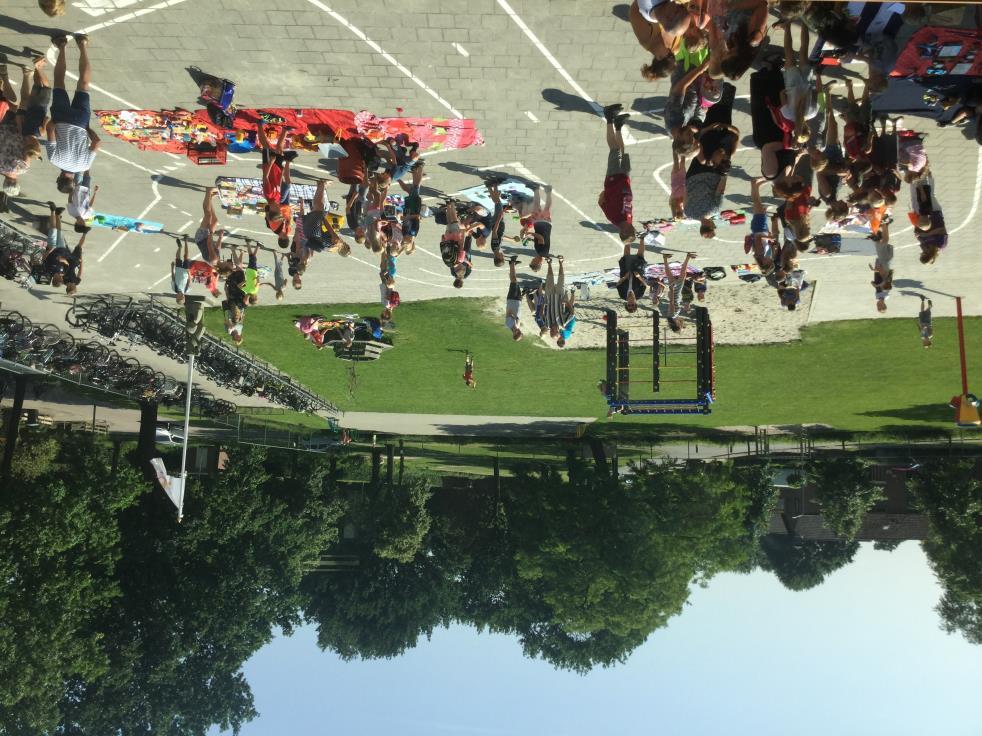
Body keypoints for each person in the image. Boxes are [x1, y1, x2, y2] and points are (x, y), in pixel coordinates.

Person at [43, 35, 99, 192]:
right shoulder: (54, 160)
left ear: (74, 180)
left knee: (84, 84)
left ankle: (83, 45)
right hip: (61, 118)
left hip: (81, 122)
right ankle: (62, 45)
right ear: (59, 178)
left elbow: (97, 142)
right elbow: (50, 129)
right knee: (59, 82)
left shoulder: (85, 165)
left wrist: (87, 128)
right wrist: (55, 118)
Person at [0, 64, 43, 198]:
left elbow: (29, 149)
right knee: (8, 102)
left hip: (20, 128)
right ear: (4, 182)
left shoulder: (23, 168)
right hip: (3, 125)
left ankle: (26, 74)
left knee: (23, 103)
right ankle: (4, 77)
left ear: (17, 183)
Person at [257, 119, 298, 248]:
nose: (278, 208)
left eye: (277, 209)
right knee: (280, 151)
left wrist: (270, 163)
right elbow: (279, 183)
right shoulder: (276, 198)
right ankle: (285, 131)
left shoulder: (269, 195)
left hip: (270, 166)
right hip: (277, 171)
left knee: (266, 147)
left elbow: (265, 177)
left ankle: (259, 125)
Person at [598, 104, 636, 244]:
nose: (633, 228)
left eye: (631, 231)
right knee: (622, 150)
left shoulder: (613, 217)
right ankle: (618, 126)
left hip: (614, 179)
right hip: (625, 179)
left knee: (614, 150)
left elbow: (601, 201)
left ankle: (609, 117)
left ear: (623, 232)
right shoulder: (629, 220)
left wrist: (609, 189)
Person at [42, 202, 85, 293]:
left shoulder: (48, 271)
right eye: (61, 279)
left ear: (55, 279)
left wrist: (50, 250)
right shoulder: (63, 273)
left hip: (52, 248)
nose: (61, 277)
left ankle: (53, 211)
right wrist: (63, 260)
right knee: (60, 232)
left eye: (60, 279)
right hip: (61, 250)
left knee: (53, 229)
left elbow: (44, 258)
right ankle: (58, 214)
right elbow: (67, 264)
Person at [397, 160, 424, 254]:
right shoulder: (413, 232)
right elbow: (417, 217)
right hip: (414, 208)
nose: (405, 243)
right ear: (412, 243)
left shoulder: (404, 234)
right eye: (407, 245)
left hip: (407, 209)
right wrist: (407, 217)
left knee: (413, 188)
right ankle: (420, 168)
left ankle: (415, 170)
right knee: (416, 187)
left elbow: (403, 223)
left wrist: (401, 218)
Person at [525, 184, 553, 272]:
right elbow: (541, 238)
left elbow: (540, 241)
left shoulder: (543, 254)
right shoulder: (541, 253)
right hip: (542, 225)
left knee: (539, 207)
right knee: (543, 207)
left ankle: (539, 190)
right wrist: (530, 233)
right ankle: (544, 191)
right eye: (533, 261)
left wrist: (531, 239)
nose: (532, 259)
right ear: (538, 263)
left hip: (544, 225)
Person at [662, 251, 694, 331]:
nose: (681, 324)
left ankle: (688, 257)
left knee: (682, 275)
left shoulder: (672, 315)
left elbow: (671, 302)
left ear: (676, 324)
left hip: (675, 294)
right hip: (675, 294)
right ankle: (665, 258)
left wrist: (672, 289)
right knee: (671, 275)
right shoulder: (671, 316)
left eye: (680, 326)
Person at [617, 236, 648, 313]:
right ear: (635, 304)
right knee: (640, 255)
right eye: (633, 305)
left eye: (629, 305)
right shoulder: (639, 295)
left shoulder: (622, 295)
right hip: (638, 273)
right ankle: (642, 238)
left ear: (626, 304)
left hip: (625, 273)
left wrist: (624, 277)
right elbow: (644, 285)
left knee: (626, 254)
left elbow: (618, 284)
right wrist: (639, 277)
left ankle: (628, 237)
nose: (631, 304)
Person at [870, 221, 893, 313]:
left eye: (878, 308)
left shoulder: (877, 297)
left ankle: (883, 227)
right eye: (881, 307)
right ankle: (884, 225)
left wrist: (874, 284)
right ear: (884, 304)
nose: (878, 306)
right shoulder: (886, 295)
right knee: (883, 244)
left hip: (878, 272)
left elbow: (877, 285)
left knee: (880, 245)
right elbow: (885, 281)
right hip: (883, 269)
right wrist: (877, 285)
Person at [504, 255, 523, 341]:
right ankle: (513, 265)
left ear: (514, 334)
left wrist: (514, 317)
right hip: (518, 300)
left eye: (517, 333)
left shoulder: (509, 324)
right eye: (520, 332)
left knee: (514, 281)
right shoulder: (517, 326)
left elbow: (509, 312)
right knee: (515, 282)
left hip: (511, 299)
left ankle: (512, 262)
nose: (519, 331)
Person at [171, 236, 191, 304]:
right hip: (185, 271)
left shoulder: (174, 289)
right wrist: (189, 273)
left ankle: (180, 247)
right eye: (182, 297)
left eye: (179, 297)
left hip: (178, 269)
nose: (181, 296)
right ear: (184, 297)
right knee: (186, 256)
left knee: (177, 257)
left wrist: (172, 268)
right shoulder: (186, 290)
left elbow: (173, 278)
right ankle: (186, 241)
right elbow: (189, 281)